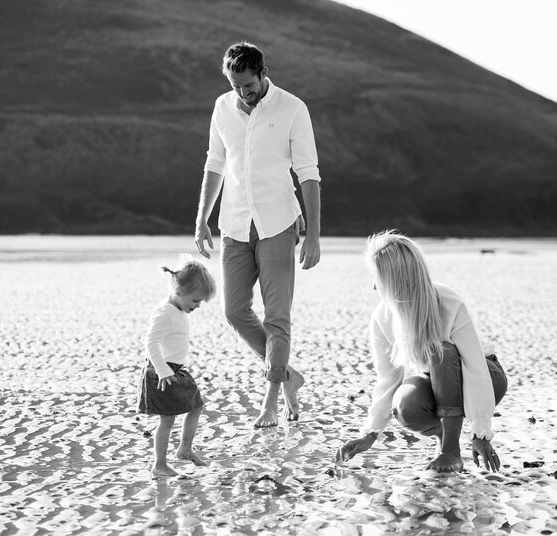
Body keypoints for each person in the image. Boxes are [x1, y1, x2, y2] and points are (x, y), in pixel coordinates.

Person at [194, 41, 322, 428]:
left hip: (278, 223)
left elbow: (309, 173)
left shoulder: (292, 108)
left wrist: (314, 234)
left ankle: (271, 398)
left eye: (248, 85)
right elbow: (215, 163)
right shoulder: (222, 107)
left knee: (277, 316)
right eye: (235, 85)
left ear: (262, 74)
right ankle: (286, 374)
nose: (242, 93)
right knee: (234, 310)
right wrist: (202, 218)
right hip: (234, 223)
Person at [335, 231, 508, 472]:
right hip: (436, 380)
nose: (373, 286)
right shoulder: (382, 317)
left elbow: (475, 366)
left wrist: (480, 431)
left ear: (394, 280)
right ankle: (445, 438)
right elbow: (388, 379)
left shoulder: (447, 302)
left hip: (485, 375)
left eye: (377, 278)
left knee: (440, 351)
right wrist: (370, 433)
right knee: (406, 404)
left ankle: (451, 451)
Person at [136, 258, 216, 477]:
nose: (198, 305)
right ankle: (159, 464)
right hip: (162, 372)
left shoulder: (178, 309)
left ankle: (185, 449)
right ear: (179, 291)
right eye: (196, 300)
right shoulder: (165, 312)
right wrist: (163, 370)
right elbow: (150, 342)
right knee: (167, 419)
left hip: (177, 371)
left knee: (196, 405)